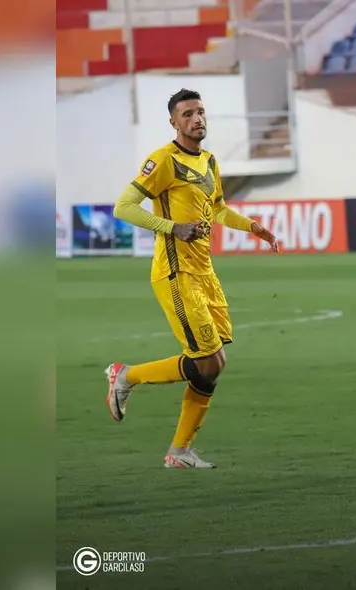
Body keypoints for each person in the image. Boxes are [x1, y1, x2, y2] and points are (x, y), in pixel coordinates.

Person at [106, 89, 281, 469]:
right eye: (187, 114)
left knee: (215, 364)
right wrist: (172, 227)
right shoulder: (162, 160)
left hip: (204, 272)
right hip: (175, 272)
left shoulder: (210, 161)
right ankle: (126, 377)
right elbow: (124, 206)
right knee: (205, 360)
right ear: (174, 122)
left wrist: (254, 228)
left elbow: (217, 208)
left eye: (200, 112)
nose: (196, 118)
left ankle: (179, 452)